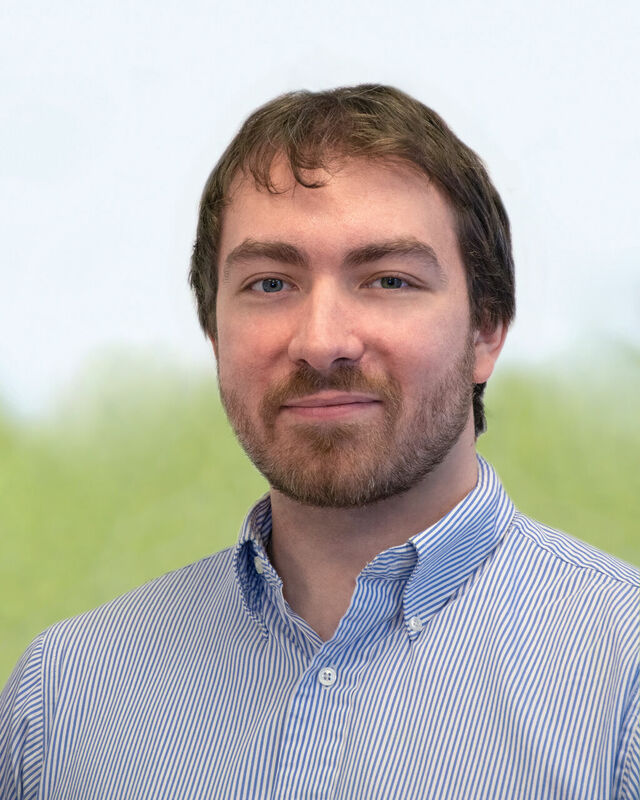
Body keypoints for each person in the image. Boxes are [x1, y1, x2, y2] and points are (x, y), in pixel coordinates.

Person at [1, 85, 638, 799]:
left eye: (389, 280)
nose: (322, 341)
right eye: (271, 284)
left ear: (486, 330)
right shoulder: (62, 698)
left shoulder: (625, 681)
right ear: (214, 333)